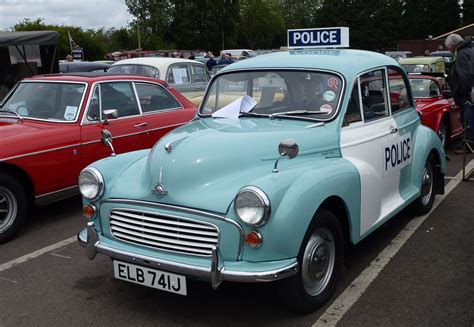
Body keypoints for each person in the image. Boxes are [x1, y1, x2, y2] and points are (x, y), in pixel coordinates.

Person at [445, 33, 474, 153]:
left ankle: (469, 145)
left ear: (453, 45)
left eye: (448, 48)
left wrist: (461, 91)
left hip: (467, 94)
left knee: (468, 119)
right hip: (471, 92)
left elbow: (465, 75)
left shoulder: (462, 54)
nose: (448, 50)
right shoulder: (470, 50)